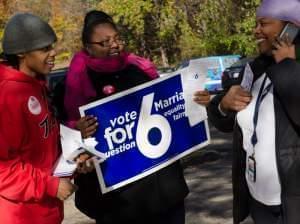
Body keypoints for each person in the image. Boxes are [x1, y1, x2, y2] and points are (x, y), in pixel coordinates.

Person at [63, 10, 189, 224]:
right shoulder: (77, 82)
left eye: (117, 38)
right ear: (88, 47)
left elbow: (169, 108)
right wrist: (78, 129)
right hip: (120, 201)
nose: (114, 45)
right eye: (105, 42)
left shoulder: (140, 69)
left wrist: (193, 101)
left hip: (165, 189)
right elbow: (66, 136)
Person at [207, 0, 300, 223]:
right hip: (257, 199)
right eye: (256, 23)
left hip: (291, 204)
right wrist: (223, 105)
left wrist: (287, 66)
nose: (255, 31)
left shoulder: (292, 67)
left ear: (291, 27)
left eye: (264, 23)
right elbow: (228, 123)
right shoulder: (256, 68)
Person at [0, 13, 77, 224]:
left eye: (51, 46)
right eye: (44, 49)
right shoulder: (7, 96)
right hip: (20, 216)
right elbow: (3, 171)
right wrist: (50, 185)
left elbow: (40, 145)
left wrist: (74, 151)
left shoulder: (38, 85)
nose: (53, 53)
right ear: (22, 53)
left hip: (46, 212)